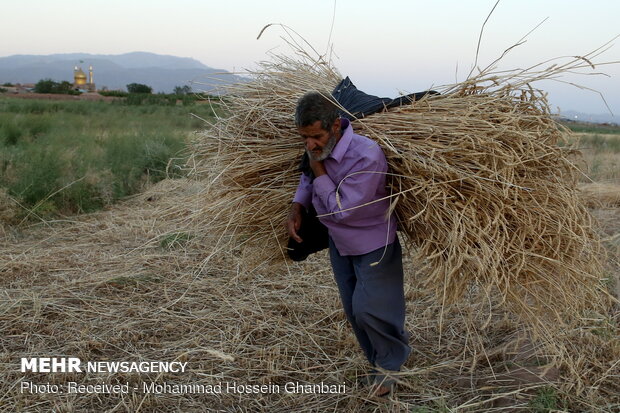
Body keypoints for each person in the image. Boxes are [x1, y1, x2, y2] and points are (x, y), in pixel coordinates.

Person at [286, 91, 410, 396]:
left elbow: (342, 209)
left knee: (371, 309)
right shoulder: (316, 148)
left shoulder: (367, 154)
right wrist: (297, 205)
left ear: (336, 127)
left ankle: (390, 366)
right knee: (354, 312)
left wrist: (318, 170)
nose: (310, 145)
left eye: (316, 136)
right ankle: (377, 364)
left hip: (372, 241)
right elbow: (306, 175)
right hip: (340, 243)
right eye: (304, 138)